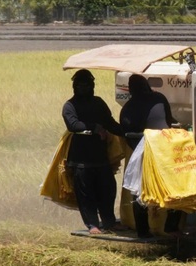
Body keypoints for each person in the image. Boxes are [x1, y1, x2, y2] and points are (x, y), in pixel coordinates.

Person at [62, 69, 125, 235]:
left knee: (108, 190)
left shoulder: (98, 103)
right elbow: (73, 125)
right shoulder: (70, 106)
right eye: (80, 84)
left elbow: (110, 123)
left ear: (92, 86)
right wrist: (94, 127)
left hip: (101, 157)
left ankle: (109, 223)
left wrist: (127, 132)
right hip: (81, 159)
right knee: (86, 194)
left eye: (87, 84)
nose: (84, 87)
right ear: (75, 87)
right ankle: (92, 225)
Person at [119, 74, 178, 238]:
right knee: (173, 186)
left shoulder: (128, 108)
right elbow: (170, 120)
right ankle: (172, 227)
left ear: (131, 90)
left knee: (139, 192)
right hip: (163, 150)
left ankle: (143, 232)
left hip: (143, 154)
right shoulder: (159, 98)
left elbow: (126, 132)